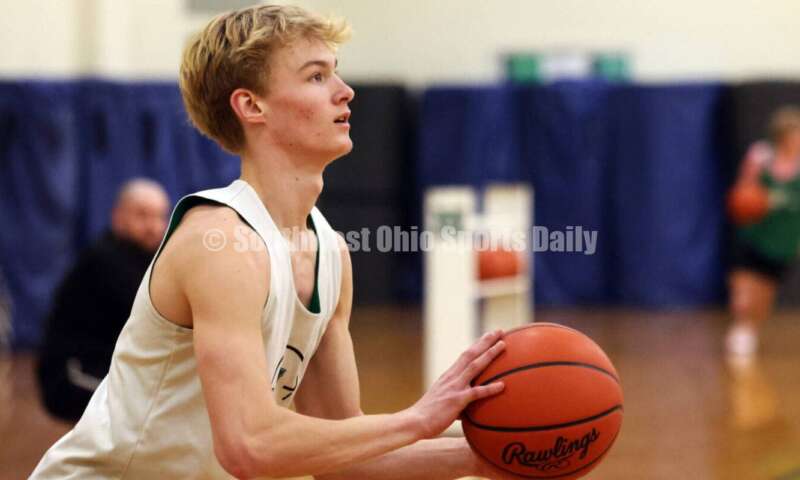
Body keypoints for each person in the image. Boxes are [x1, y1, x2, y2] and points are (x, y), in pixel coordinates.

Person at [31, 5, 515, 479]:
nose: (345, 92)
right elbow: (248, 446)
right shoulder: (219, 242)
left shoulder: (330, 254)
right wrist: (415, 420)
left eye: (336, 74)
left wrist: (492, 454)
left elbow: (343, 453)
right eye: (316, 76)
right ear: (251, 105)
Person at [36, 179, 169, 422]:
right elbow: (156, 316)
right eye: (142, 215)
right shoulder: (104, 260)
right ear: (118, 217)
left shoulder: (147, 259)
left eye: (160, 217)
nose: (153, 226)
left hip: (112, 367)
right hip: (75, 372)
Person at [726, 106, 800, 356]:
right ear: (781, 135)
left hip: (783, 241)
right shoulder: (761, 155)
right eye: (794, 133)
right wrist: (758, 200)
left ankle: (750, 331)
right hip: (754, 234)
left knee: (765, 295)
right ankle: (740, 328)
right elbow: (743, 190)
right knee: (743, 290)